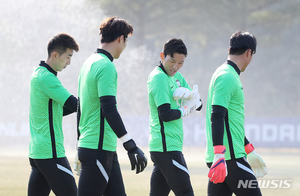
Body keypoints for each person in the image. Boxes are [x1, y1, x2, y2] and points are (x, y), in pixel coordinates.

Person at [75, 16, 147, 196]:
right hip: (97, 149)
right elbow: (109, 109)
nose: (125, 46)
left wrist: (79, 143)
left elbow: (79, 108)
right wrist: (130, 145)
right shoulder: (106, 66)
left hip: (99, 148)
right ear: (120, 38)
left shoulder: (88, 63)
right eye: (126, 41)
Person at [205, 31, 268, 196]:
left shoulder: (224, 73)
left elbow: (230, 121)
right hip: (229, 158)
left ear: (229, 49)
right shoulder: (227, 76)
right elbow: (217, 116)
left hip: (225, 157)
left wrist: (249, 148)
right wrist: (220, 155)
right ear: (249, 52)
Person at [147, 38, 202, 196]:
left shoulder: (177, 77)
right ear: (162, 55)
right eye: (172, 61)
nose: (176, 67)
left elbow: (198, 105)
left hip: (168, 147)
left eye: (181, 63)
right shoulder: (158, 77)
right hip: (166, 147)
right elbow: (165, 115)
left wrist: (192, 97)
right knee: (185, 192)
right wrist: (185, 109)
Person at [28, 33, 79, 196]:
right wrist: (101, 105)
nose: (69, 63)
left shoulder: (38, 73)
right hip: (51, 153)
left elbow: (55, 111)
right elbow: (75, 104)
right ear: (55, 55)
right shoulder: (48, 78)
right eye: (68, 57)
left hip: (38, 152)